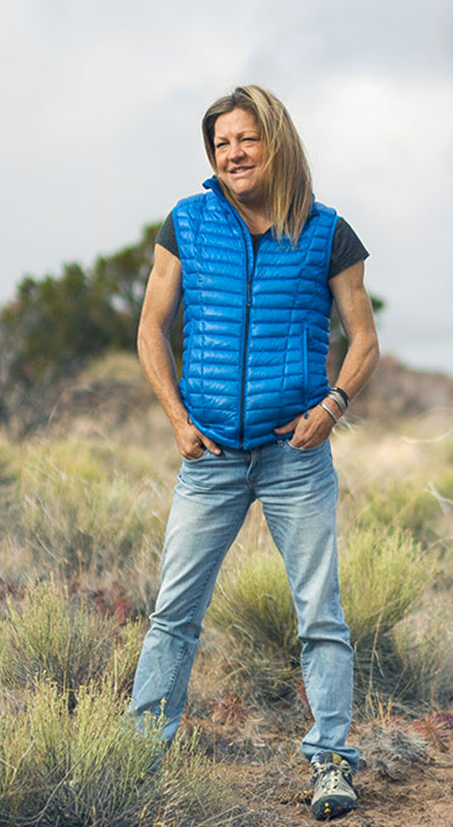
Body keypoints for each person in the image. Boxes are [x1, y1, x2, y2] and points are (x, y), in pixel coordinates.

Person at [129, 85, 379, 821]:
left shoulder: (327, 230)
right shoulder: (187, 223)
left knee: (320, 613)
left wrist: (330, 408)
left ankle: (331, 760)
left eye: (245, 139)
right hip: (207, 452)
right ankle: (140, 754)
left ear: (275, 141)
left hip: (293, 453)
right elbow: (151, 327)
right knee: (174, 612)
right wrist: (177, 420)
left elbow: (363, 339)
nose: (232, 154)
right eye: (220, 144)